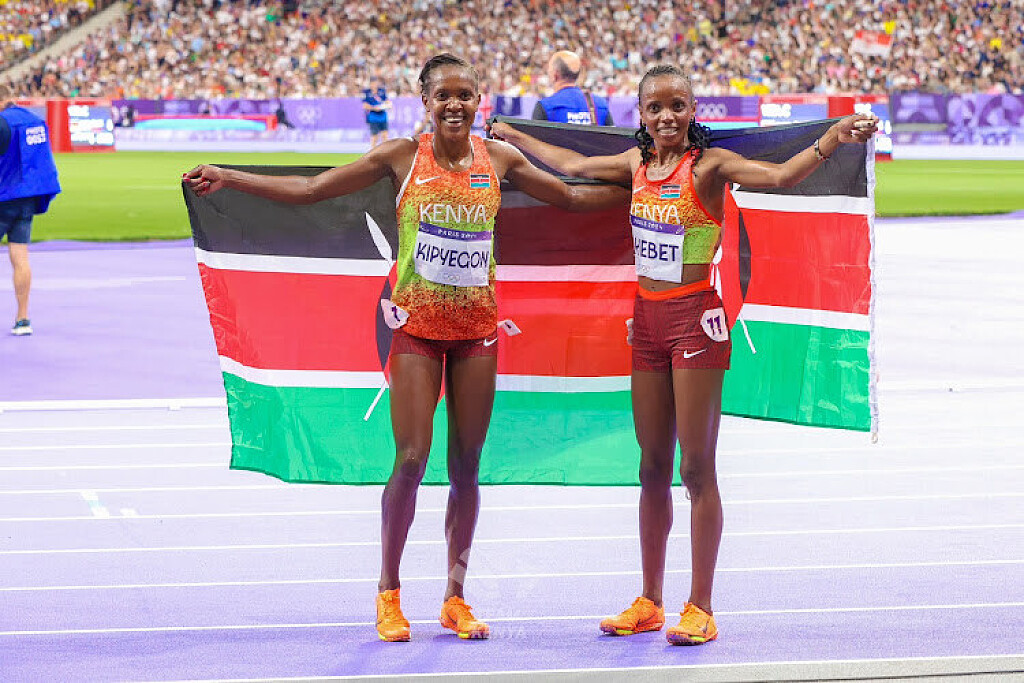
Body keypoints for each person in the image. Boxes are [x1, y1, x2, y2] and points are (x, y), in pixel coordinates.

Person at [184, 53, 628, 643]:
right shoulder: (401, 156)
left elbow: (571, 198)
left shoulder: (499, 159)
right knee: (412, 459)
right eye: (443, 95)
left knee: (466, 467)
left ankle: (455, 598)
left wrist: (648, 190)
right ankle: (388, 593)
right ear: (426, 101)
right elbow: (312, 189)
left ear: (479, 101)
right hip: (417, 330)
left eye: (464, 95)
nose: (454, 105)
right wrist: (232, 177)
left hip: (478, 333)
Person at [492, 63, 877, 645]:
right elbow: (571, 165)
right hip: (646, 323)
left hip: (696, 321)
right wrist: (511, 134)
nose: (667, 116)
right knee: (650, 467)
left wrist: (833, 137)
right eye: (656, 107)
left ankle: (701, 607)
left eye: (677, 106)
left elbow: (778, 176)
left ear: (693, 111)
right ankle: (650, 601)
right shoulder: (634, 164)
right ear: (642, 115)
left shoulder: (709, 167)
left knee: (695, 468)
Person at [0, 85, 62, 336]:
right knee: (20, 257)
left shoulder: (3, 122)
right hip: (26, 197)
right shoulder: (34, 120)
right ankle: (23, 318)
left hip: (3, 195)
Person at [532, 50, 614, 126]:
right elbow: (613, 136)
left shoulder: (545, 106)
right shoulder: (600, 104)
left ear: (555, 75)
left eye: (549, 69)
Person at [363, 79, 391, 148]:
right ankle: (373, 151)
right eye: (373, 83)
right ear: (370, 84)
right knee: (374, 137)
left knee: (385, 136)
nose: (374, 85)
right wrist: (374, 108)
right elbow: (365, 105)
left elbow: (387, 101)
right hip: (373, 117)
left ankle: (385, 151)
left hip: (383, 116)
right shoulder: (367, 92)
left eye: (375, 83)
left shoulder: (382, 91)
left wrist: (387, 105)